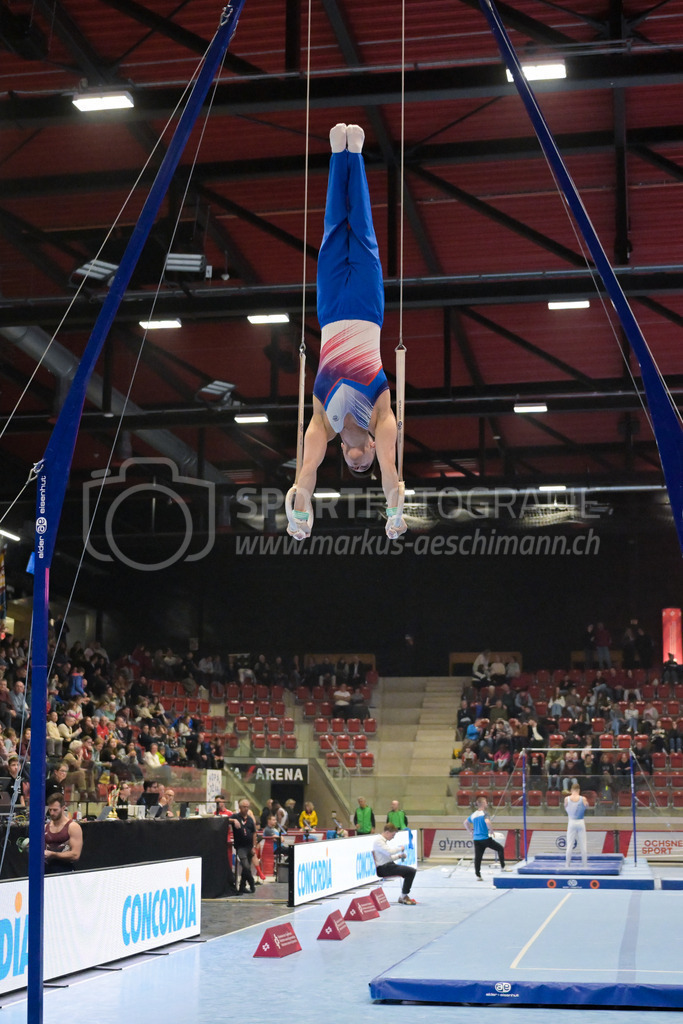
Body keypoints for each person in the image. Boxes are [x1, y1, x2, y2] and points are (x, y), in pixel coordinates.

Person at [287, 123, 405, 542]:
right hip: (368, 310)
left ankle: (339, 156)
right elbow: (391, 472)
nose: (358, 463)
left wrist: (300, 515)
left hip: (332, 310)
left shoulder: (323, 421)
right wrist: (394, 511)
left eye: (351, 467)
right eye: (364, 465)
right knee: (365, 233)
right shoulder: (382, 416)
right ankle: (355, 153)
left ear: (342, 451)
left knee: (335, 231)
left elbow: (305, 475)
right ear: (371, 448)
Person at [464, 796, 507, 881]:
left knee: (478, 857)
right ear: (483, 803)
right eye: (486, 802)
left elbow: (465, 823)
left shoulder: (473, 814)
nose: (487, 804)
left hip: (476, 839)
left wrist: (470, 831)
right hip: (485, 838)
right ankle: (503, 867)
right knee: (500, 848)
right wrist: (491, 830)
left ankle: (478, 875)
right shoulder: (485, 813)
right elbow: (487, 822)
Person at [372, 824, 416, 904]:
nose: (393, 837)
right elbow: (390, 852)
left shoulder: (382, 841)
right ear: (387, 832)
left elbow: (388, 857)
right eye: (393, 835)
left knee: (410, 871)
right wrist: (400, 848)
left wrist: (399, 856)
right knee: (411, 871)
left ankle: (403, 895)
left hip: (388, 865)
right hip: (383, 869)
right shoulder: (379, 841)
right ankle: (403, 896)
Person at [44, 793, 83, 873]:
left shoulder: (73, 827)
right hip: (47, 870)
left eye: (55, 810)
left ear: (63, 808)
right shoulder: (45, 827)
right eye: (50, 810)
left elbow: (75, 855)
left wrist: (53, 854)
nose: (52, 813)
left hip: (65, 870)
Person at [229, 798, 257, 894]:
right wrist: (233, 821)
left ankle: (242, 886)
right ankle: (252, 882)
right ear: (240, 807)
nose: (246, 809)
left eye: (247, 807)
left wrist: (254, 846)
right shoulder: (236, 816)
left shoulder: (250, 820)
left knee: (247, 867)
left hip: (249, 846)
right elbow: (226, 820)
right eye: (244, 807)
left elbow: (254, 833)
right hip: (241, 846)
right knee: (245, 866)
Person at [564, 783, 589, 869]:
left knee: (570, 844)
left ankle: (567, 865)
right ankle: (585, 865)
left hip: (571, 822)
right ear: (579, 790)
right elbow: (587, 807)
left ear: (571, 790)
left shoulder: (566, 799)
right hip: (580, 822)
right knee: (583, 844)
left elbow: (565, 808)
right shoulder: (583, 799)